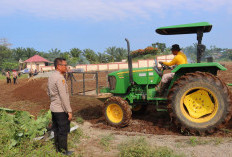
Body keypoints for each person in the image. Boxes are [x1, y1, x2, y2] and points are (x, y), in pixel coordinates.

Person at [47, 58, 73, 155]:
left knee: (56, 129)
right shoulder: (60, 78)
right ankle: (63, 152)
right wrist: (69, 111)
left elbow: (48, 92)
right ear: (58, 66)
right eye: (64, 65)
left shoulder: (51, 76)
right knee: (63, 131)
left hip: (54, 107)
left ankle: (57, 150)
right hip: (61, 109)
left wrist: (54, 100)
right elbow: (64, 97)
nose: (66, 67)